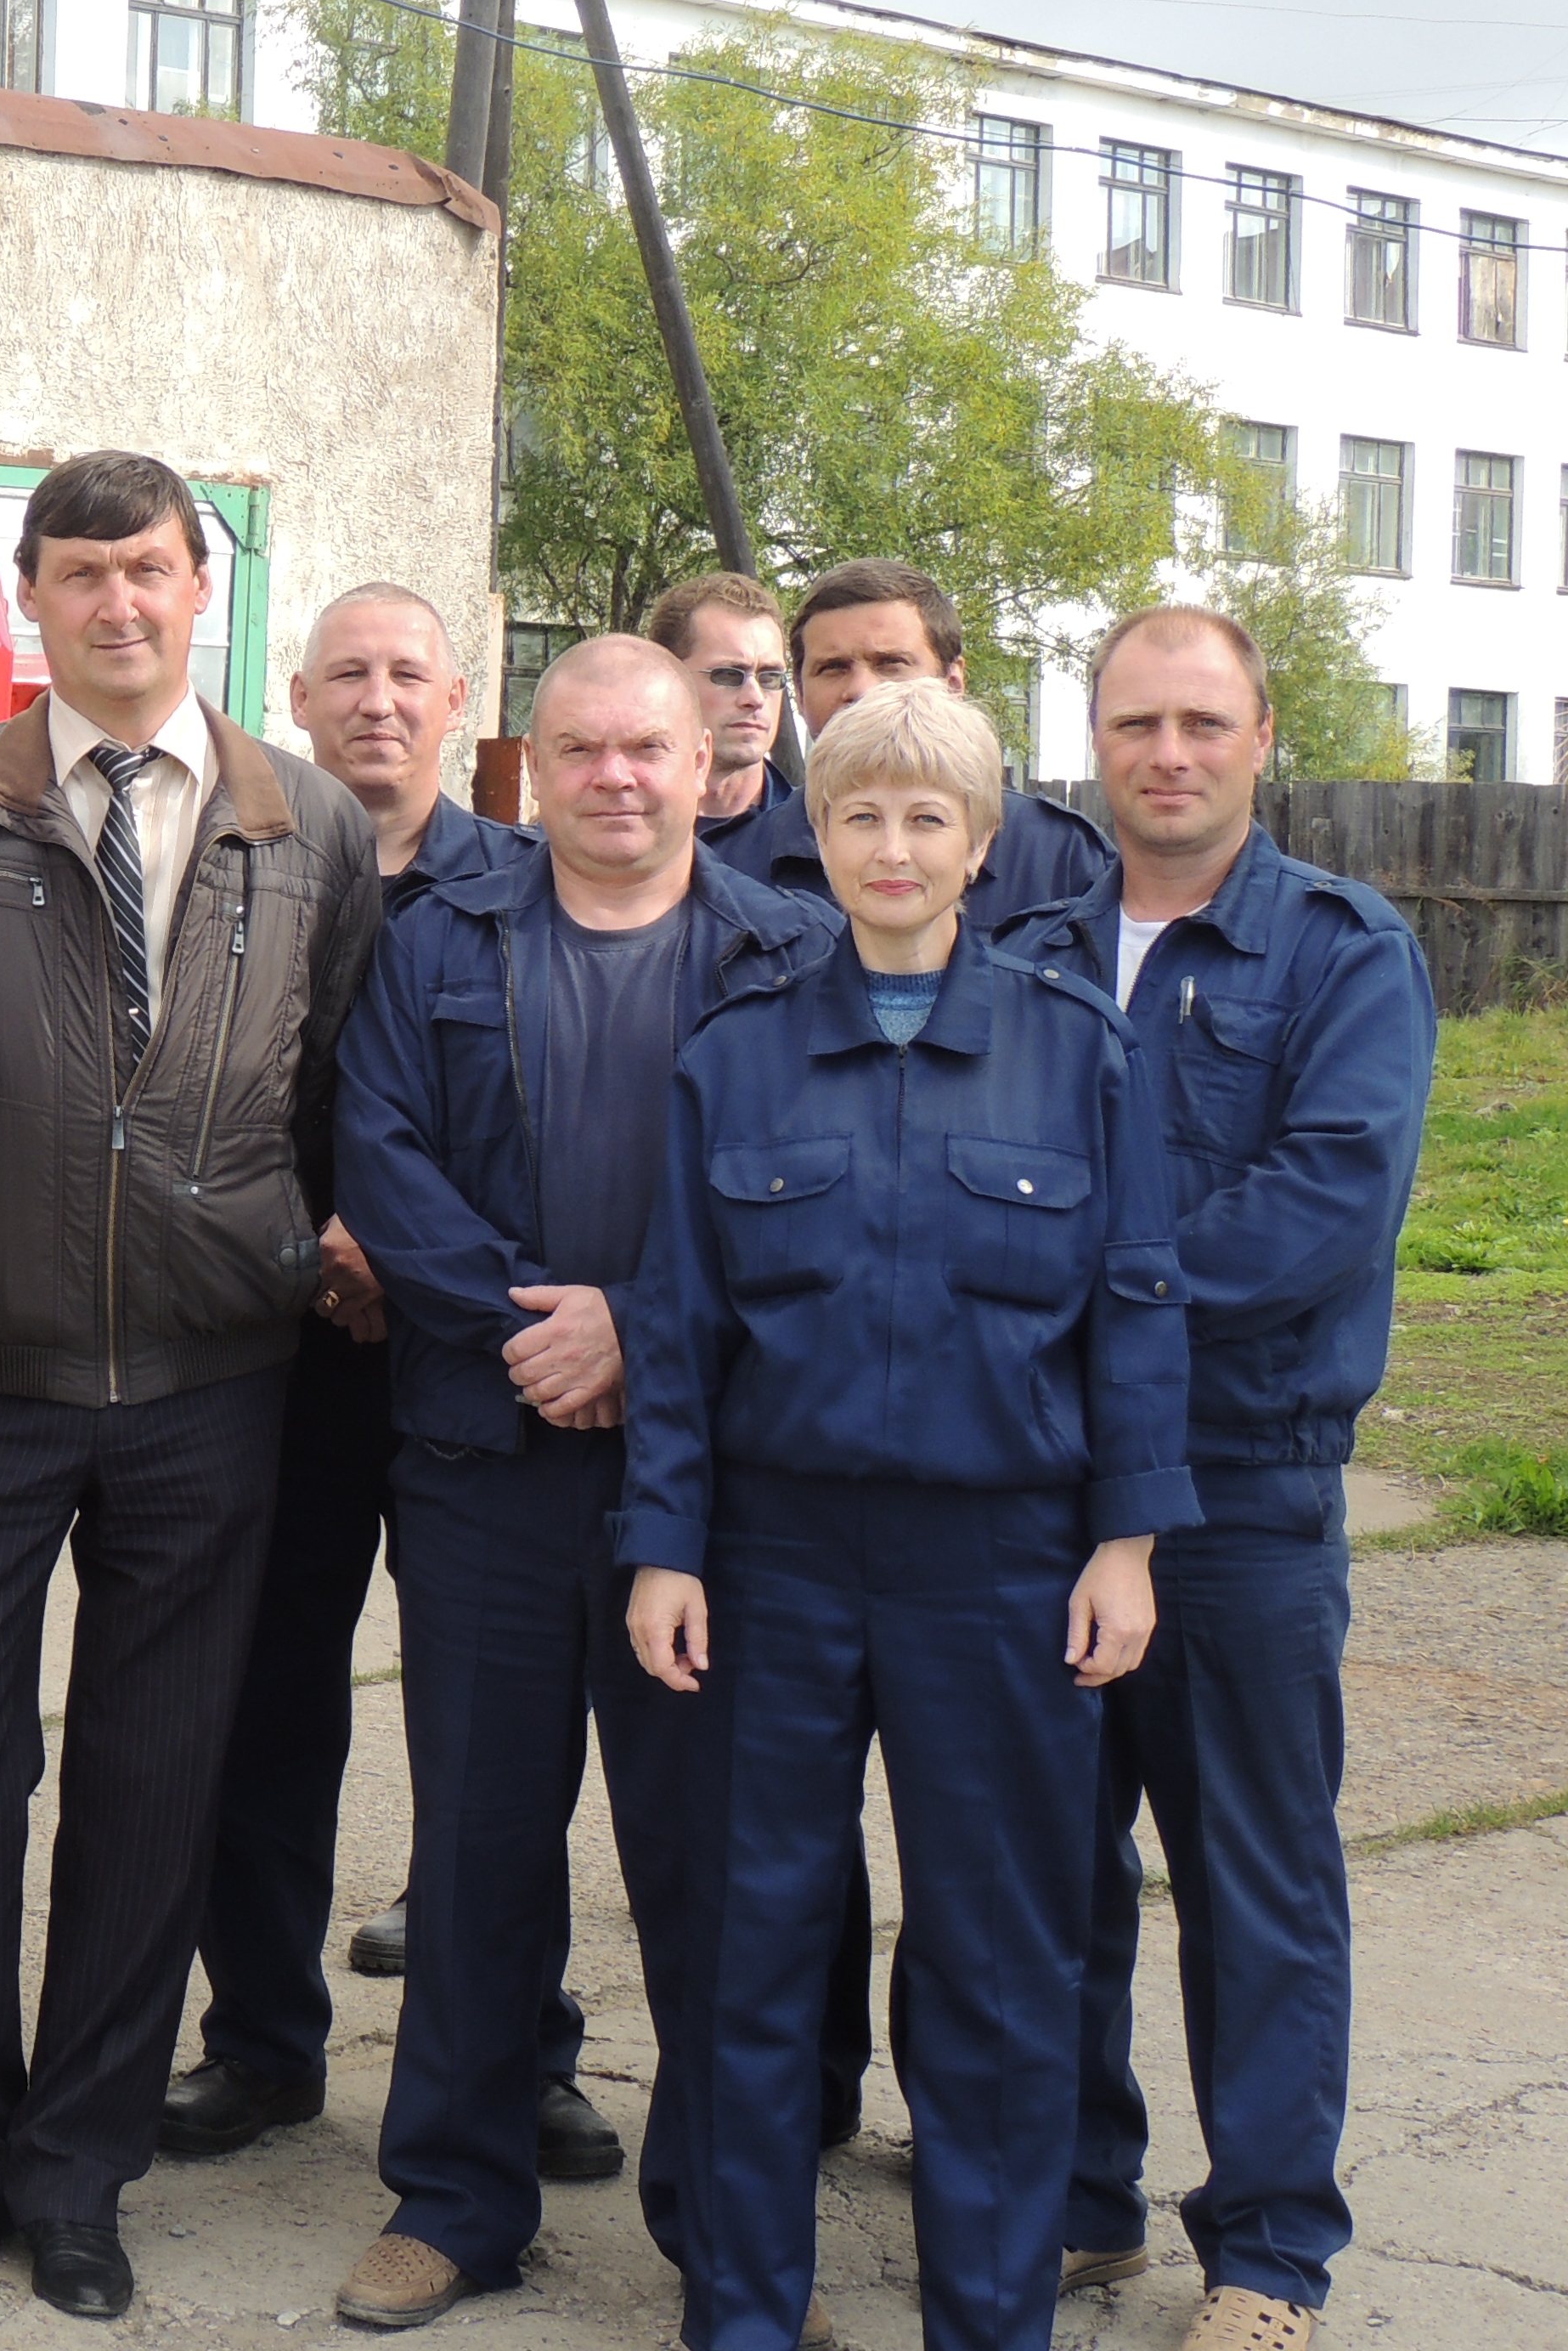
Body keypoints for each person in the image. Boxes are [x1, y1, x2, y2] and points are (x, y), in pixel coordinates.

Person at [0, 451, 381, 2322]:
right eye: (83, 575)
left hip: (209, 1379)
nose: (120, 606)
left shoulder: (309, 822)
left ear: (197, 585)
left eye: (150, 570)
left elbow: (332, 1097)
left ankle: (80, 2165)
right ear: (34, 594)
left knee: (152, 1788)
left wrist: (284, 1252)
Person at [623, 680, 1194, 2351]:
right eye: (859, 813)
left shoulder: (1076, 1052)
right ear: (817, 839)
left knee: (999, 1972)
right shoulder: (732, 1062)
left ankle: (990, 2315)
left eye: (927, 818)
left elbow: (1135, 1310)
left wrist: (1128, 1541)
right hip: (772, 1565)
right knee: (753, 1954)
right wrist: (662, 1546)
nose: (891, 845)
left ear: (983, 848)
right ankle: (740, 2312)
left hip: (1002, 1569)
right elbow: (678, 1326)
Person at [321, 639, 835, 2333]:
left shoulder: (794, 955)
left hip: (715, 1492)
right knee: (475, 1850)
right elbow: (377, 1155)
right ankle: (455, 2201)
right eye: (583, 749)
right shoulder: (439, 945)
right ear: (531, 765)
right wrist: (533, 1330)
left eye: (649, 749)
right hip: (485, 1464)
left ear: (709, 762)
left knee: (712, 1862)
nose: (617, 778)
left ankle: (719, 2224)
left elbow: (823, 1206)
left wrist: (641, 1334)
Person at [1014, 608, 1433, 2350]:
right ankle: (1083, 2201)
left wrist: (1069, 1302)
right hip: (1032, 1490)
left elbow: (1316, 1212)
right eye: (1135, 724)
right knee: (1048, 1873)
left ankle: (1266, 2255)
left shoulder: (1345, 957)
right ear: (1094, 745)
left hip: (1239, 1492)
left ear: (1265, 735)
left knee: (1255, 1880)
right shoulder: (1024, 946)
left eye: (1202, 721)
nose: (1166, 754)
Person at [165, 584, 553, 2165]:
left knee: (492, 1731)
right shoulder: (227, 875)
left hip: (476, 1361)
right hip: (285, 1358)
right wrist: (305, 1244)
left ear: (455, 697)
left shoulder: (533, 888)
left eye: (407, 673)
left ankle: (517, 2053)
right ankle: (260, 2038)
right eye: (347, 676)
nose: (377, 700)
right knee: (263, 1709)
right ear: (293, 699)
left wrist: (431, 1261)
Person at [711, 559, 1111, 932]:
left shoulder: (1059, 858)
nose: (861, 690)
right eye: (833, 668)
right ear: (798, 692)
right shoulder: (727, 871)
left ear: (953, 682)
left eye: (890, 664)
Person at [646, 569, 792, 851]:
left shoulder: (822, 839)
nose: (755, 698)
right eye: (728, 675)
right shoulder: (607, 832)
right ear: (666, 677)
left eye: (770, 677)